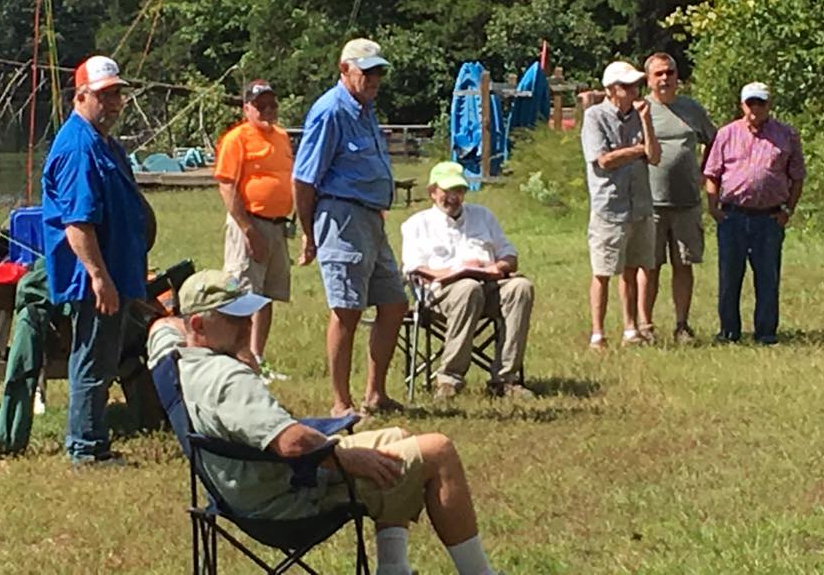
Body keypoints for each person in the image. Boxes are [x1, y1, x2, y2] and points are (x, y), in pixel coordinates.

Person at [148, 270, 504, 575]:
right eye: (235, 318)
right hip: (285, 500)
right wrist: (348, 459)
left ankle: (393, 568)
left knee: (398, 435)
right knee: (438, 450)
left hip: (246, 488)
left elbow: (162, 324)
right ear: (198, 324)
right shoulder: (227, 379)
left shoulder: (175, 356)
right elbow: (292, 443)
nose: (248, 324)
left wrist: (211, 335)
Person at [292, 38, 408, 416]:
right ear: (345, 70)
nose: (374, 79)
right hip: (341, 218)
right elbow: (304, 178)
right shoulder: (330, 111)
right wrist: (309, 233)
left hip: (372, 217)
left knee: (394, 303)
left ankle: (376, 393)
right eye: (367, 72)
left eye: (379, 72)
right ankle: (341, 402)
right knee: (347, 309)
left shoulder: (365, 107)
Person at [41, 55, 147, 464]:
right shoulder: (78, 147)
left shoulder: (103, 142)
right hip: (93, 279)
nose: (115, 102)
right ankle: (85, 448)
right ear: (81, 95)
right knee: (92, 359)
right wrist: (99, 276)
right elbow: (77, 224)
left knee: (103, 357)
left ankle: (93, 441)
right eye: (105, 95)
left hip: (113, 271)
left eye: (118, 93)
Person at [400, 161, 534, 400]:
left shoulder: (483, 216)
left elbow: (510, 256)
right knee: (467, 288)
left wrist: (494, 267)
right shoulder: (417, 224)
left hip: (489, 286)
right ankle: (449, 380)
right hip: (440, 294)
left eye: (459, 191)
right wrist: (457, 270)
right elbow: (413, 269)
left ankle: (506, 379)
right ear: (432, 192)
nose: (454, 198)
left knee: (520, 287)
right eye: (447, 192)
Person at [703, 82, 805, 345]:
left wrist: (787, 211)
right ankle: (728, 332)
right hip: (733, 216)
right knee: (729, 277)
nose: (755, 108)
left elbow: (797, 178)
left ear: (769, 105)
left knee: (768, 277)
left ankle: (766, 333)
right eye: (751, 103)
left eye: (761, 103)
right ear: (742, 105)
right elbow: (712, 173)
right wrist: (714, 208)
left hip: (769, 218)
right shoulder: (726, 134)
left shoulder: (787, 135)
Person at [636, 53, 717, 344]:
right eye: (658, 74)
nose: (665, 79)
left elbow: (715, 142)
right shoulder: (641, 109)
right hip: (650, 204)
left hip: (687, 203)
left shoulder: (691, 109)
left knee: (684, 265)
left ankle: (682, 326)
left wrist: (705, 174)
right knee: (650, 266)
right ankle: (645, 327)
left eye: (669, 72)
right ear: (648, 79)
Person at [580, 60, 661, 350]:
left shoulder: (641, 116)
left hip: (640, 204)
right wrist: (635, 151)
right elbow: (603, 160)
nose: (634, 90)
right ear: (612, 90)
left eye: (636, 85)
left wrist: (648, 123)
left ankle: (631, 329)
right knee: (602, 272)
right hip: (609, 206)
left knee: (633, 268)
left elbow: (654, 157)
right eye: (628, 86)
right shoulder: (594, 117)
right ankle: (598, 334)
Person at [214, 78, 294, 362]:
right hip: (249, 224)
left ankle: (257, 357)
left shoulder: (282, 137)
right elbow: (227, 185)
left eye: (272, 104)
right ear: (246, 108)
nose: (267, 110)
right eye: (260, 105)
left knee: (267, 295)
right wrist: (248, 230)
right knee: (244, 294)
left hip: (277, 225)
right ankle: (237, 356)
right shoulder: (236, 139)